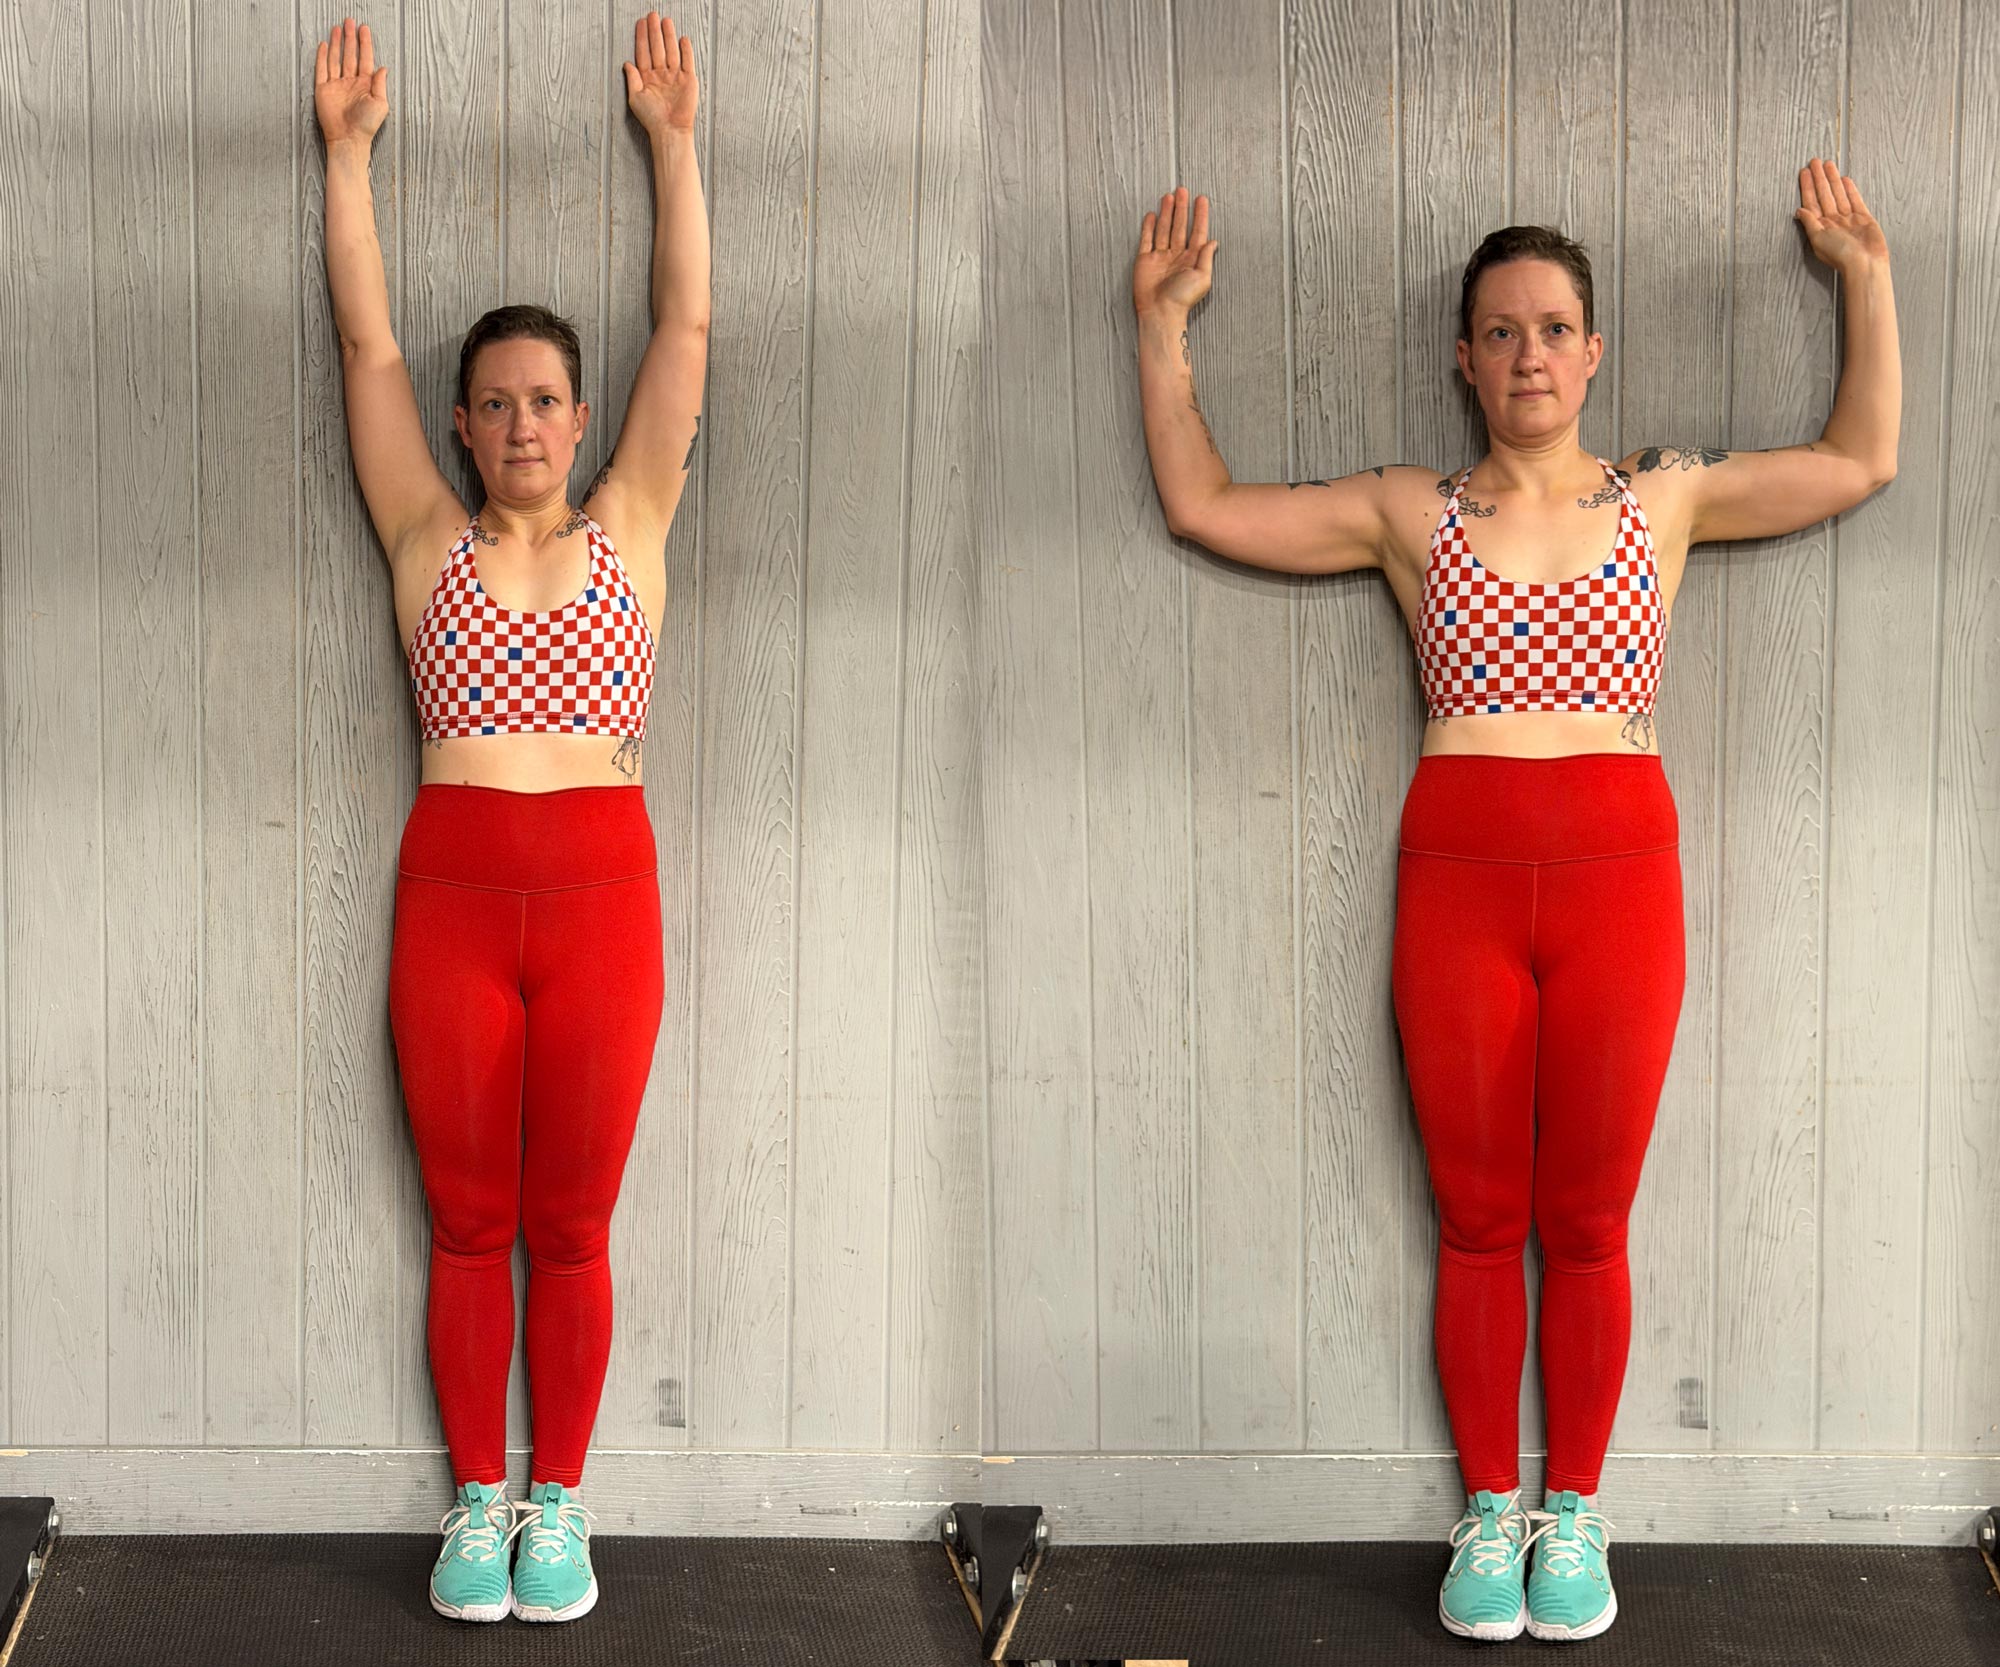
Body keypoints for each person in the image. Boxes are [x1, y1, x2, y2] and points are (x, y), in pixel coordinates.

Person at [1131, 161, 1897, 1641]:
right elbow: (1202, 504)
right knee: (1479, 1219)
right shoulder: (1408, 510)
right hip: (1461, 884)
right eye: (1501, 331)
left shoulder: (1663, 497)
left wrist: (1866, 274)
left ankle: (1580, 1510)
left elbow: (1857, 460)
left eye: (1554, 328)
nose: (1529, 353)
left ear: (1593, 351)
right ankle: (1492, 1510)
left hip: (1621, 882)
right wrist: (1163, 332)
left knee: (1590, 1218)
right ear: (1463, 357)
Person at [313, 10, 710, 1624]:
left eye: (550, 398)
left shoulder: (634, 516)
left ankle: (564, 1503)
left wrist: (676, 146)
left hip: (602, 895)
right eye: (500, 403)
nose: (530, 423)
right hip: (455, 895)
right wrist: (346, 164)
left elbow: (684, 326)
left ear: (578, 415)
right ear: (469, 428)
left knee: (571, 1218)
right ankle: (478, 1503)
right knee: (469, 1221)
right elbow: (366, 353)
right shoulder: (425, 534)